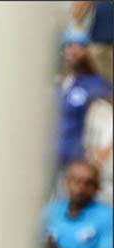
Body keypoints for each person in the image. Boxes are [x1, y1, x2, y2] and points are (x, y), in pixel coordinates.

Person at [57, 28, 112, 168]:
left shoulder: (95, 82)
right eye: (69, 45)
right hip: (54, 157)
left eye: (79, 46)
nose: (73, 51)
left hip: (78, 161)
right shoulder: (60, 83)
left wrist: (106, 150)